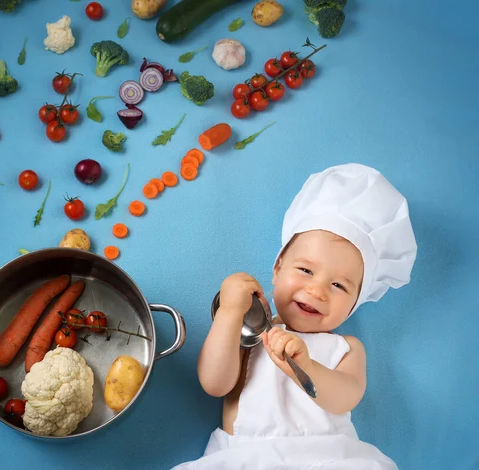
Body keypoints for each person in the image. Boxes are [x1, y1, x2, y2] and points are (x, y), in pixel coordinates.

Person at [172, 163, 417, 470]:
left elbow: (346, 397)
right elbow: (214, 383)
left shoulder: (347, 348)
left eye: (339, 285)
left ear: (356, 303)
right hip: (245, 457)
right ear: (277, 269)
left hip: (328, 458)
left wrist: (306, 366)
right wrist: (230, 313)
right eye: (305, 270)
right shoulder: (252, 332)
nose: (316, 291)